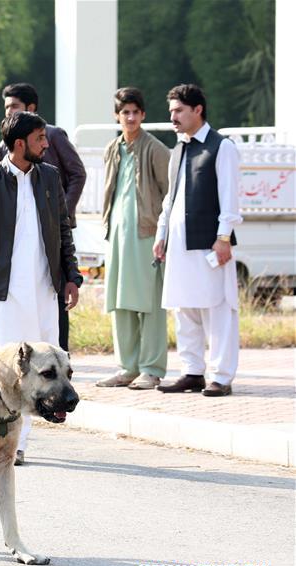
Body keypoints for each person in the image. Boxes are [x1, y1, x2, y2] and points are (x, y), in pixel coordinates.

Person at [0, 111, 83, 466]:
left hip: (45, 290)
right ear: (19, 144)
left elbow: (63, 232)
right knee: (6, 368)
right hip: (4, 292)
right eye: (40, 139)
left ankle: (17, 442)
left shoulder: (49, 177)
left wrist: (71, 276)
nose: (46, 144)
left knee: (41, 365)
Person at [154, 84, 242, 397]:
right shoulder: (178, 148)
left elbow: (230, 198)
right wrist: (161, 233)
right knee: (184, 309)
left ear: (197, 110)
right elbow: (170, 198)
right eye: (171, 112)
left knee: (217, 310)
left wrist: (223, 237)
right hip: (179, 246)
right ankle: (192, 372)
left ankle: (221, 376)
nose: (173, 117)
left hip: (209, 244)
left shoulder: (222, 147)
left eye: (178, 111)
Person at [0, 83, 87, 351]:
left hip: (52, 232)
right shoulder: (5, 145)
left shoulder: (54, 136)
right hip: (16, 243)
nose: (8, 111)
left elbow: (78, 173)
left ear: (30, 108)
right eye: (6, 106)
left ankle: (59, 361)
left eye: (14, 107)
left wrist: (60, 214)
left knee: (54, 304)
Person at [96, 88, 171, 391]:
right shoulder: (112, 148)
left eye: (135, 112)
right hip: (116, 237)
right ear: (117, 115)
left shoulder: (155, 149)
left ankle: (151, 369)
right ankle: (127, 367)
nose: (130, 117)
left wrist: (164, 235)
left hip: (147, 237)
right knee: (120, 303)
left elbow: (171, 195)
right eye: (124, 112)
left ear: (143, 114)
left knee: (150, 305)